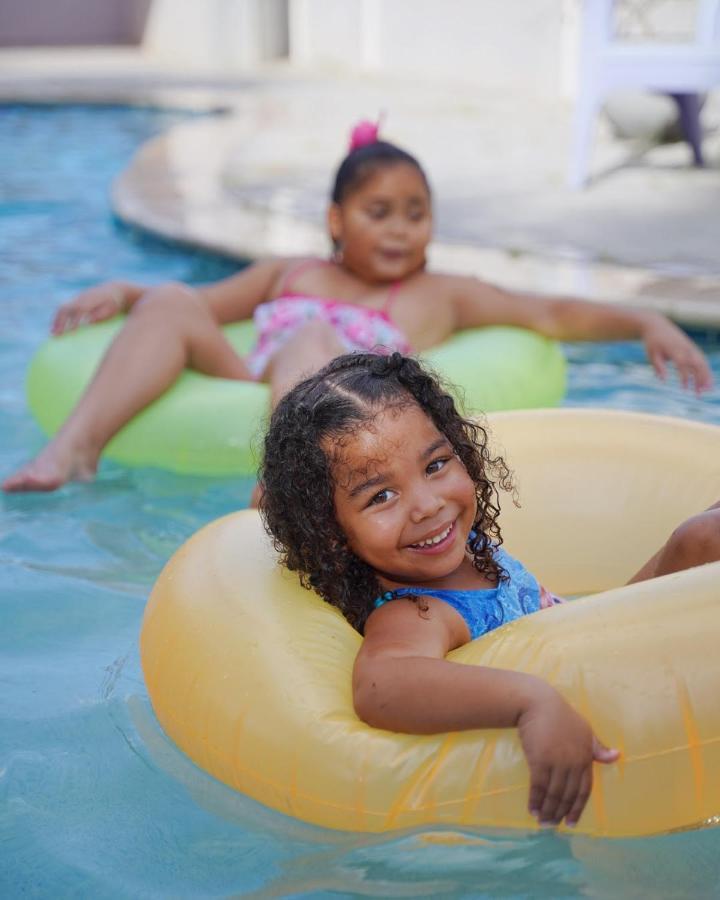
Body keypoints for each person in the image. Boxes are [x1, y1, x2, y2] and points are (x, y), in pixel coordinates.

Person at [3, 121, 712, 493]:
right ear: (337, 219)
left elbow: (551, 313)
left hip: (340, 401)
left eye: (416, 213)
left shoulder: (440, 295)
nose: (401, 229)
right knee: (167, 299)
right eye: (380, 212)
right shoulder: (292, 271)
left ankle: (277, 482)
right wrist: (128, 292)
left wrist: (646, 320)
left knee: (313, 335)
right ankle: (72, 452)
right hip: (254, 379)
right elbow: (197, 306)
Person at [259, 352, 720, 828]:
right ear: (332, 534)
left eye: (436, 465)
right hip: (608, 708)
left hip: (591, 643)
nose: (427, 505)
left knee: (702, 534)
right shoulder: (417, 611)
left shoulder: (465, 549)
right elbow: (381, 685)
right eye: (381, 496)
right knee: (704, 539)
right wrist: (531, 702)